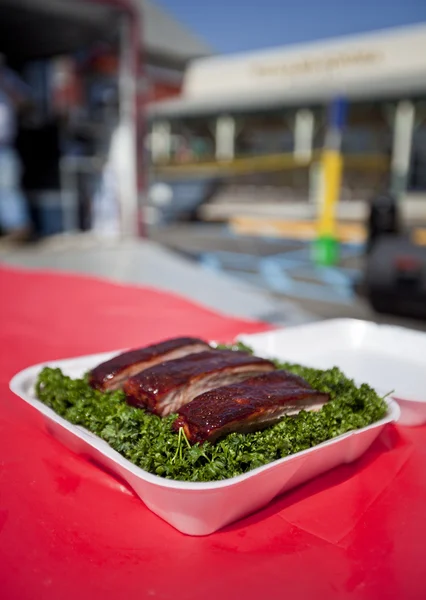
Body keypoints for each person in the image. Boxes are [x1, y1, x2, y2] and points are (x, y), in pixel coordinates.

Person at [0, 54, 32, 241]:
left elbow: (27, 103)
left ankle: (18, 229)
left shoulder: (8, 78)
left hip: (4, 146)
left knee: (8, 187)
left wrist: (6, 85)